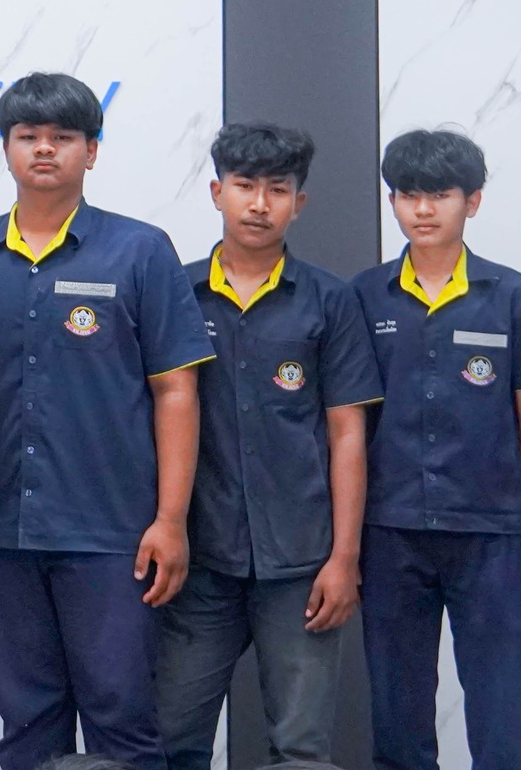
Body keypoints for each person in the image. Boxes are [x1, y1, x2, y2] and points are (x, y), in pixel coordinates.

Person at [0, 73, 214, 770]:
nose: (44, 149)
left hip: (113, 534)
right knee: (25, 721)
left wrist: (171, 518)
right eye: (28, 135)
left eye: (63, 136)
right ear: (6, 147)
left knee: (122, 717)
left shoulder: (139, 250)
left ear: (91, 151)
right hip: (3, 532)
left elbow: (177, 390)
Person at [154, 124, 381, 770]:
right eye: (245, 186)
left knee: (301, 748)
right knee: (171, 740)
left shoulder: (330, 301)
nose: (259, 204)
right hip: (199, 558)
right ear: (216, 192)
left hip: (301, 562)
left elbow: (347, 433)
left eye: (277, 190)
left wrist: (344, 557)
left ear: (298, 203)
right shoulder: (175, 293)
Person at [351, 129, 521, 770]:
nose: (422, 209)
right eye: (407, 194)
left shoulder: (513, 295)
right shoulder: (364, 295)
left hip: (488, 533)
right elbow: (348, 426)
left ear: (472, 201)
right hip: (389, 532)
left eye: (440, 195)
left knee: (499, 711)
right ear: (393, 201)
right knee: (398, 712)